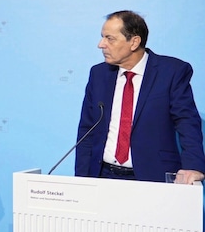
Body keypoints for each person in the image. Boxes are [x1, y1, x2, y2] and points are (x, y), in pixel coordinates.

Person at [75, 10, 205, 184]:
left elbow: (187, 122)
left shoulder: (171, 72)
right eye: (102, 37)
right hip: (103, 176)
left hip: (152, 176)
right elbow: (87, 130)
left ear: (134, 42)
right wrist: (81, 181)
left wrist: (193, 166)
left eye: (110, 38)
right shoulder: (98, 74)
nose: (101, 44)